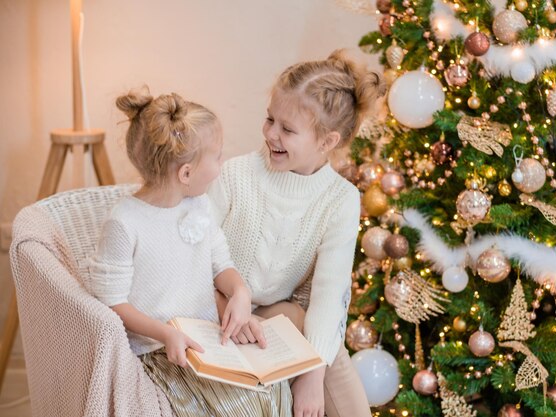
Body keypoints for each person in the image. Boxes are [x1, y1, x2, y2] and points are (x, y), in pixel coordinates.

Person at [87, 86, 292, 417]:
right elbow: (112, 303)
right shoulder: (125, 223)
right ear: (186, 173)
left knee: (272, 392)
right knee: (234, 409)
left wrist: (239, 292)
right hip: (159, 349)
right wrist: (166, 332)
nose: (221, 165)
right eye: (217, 156)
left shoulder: (200, 205)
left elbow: (220, 264)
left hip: (208, 338)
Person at [208, 50, 386, 417]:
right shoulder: (236, 175)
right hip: (212, 306)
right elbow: (192, 254)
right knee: (308, 334)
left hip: (272, 315)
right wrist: (228, 306)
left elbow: (329, 292)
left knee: (321, 342)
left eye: (287, 129)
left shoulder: (341, 199)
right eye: (270, 119)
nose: (271, 134)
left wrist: (312, 373)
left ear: (327, 142)